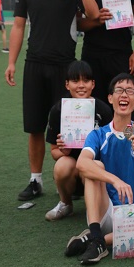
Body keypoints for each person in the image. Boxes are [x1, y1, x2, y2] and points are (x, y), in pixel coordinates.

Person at [5, 0, 100, 201]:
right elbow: (18, 26)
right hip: (34, 64)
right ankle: (35, 180)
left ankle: (72, 179)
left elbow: (92, 15)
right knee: (35, 125)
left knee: (70, 126)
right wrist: (11, 62)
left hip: (65, 67)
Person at [64, 74, 134, 265]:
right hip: (106, 211)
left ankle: (96, 240)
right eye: (119, 90)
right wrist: (115, 180)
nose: (124, 95)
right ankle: (96, 232)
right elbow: (81, 164)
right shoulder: (98, 134)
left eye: (130, 91)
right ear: (110, 98)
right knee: (95, 165)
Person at [44, 60, 112, 221]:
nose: (81, 85)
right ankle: (66, 203)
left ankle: (95, 208)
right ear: (67, 84)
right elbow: (54, 152)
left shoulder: (103, 110)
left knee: (94, 164)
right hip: (73, 170)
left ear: (93, 84)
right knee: (62, 164)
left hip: (96, 168)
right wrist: (64, 151)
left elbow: (112, 150)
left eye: (86, 81)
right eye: (75, 81)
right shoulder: (58, 110)